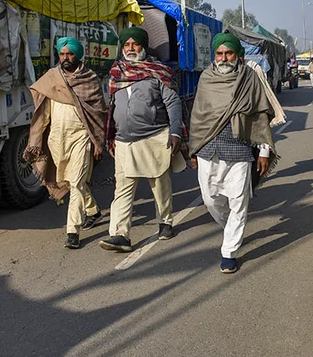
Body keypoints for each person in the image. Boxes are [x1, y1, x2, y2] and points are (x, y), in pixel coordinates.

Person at [188, 32, 278, 274]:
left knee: (239, 202)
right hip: (208, 149)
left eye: (229, 53)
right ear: (214, 55)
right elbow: (198, 115)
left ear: (238, 55)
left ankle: (229, 251)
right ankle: (231, 228)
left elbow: (261, 117)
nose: (224, 58)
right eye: (220, 53)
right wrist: (193, 149)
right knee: (210, 199)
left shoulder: (250, 79)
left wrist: (264, 152)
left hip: (239, 149)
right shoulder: (206, 78)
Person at [99, 27, 185, 253]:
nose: (130, 49)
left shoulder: (158, 73)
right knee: (122, 190)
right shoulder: (116, 73)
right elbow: (111, 108)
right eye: (126, 45)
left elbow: (173, 103)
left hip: (154, 138)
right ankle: (120, 235)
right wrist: (111, 137)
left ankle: (165, 221)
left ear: (143, 47)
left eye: (134, 45)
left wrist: (175, 132)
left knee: (160, 185)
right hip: (124, 141)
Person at [23, 37, 107, 249]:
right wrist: (35, 139)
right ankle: (93, 210)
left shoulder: (90, 80)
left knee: (77, 181)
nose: (65, 58)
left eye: (70, 54)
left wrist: (98, 142)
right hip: (56, 139)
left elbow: (98, 114)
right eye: (62, 54)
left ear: (78, 55)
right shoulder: (52, 78)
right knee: (70, 181)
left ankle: (72, 231)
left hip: (81, 137)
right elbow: (42, 112)